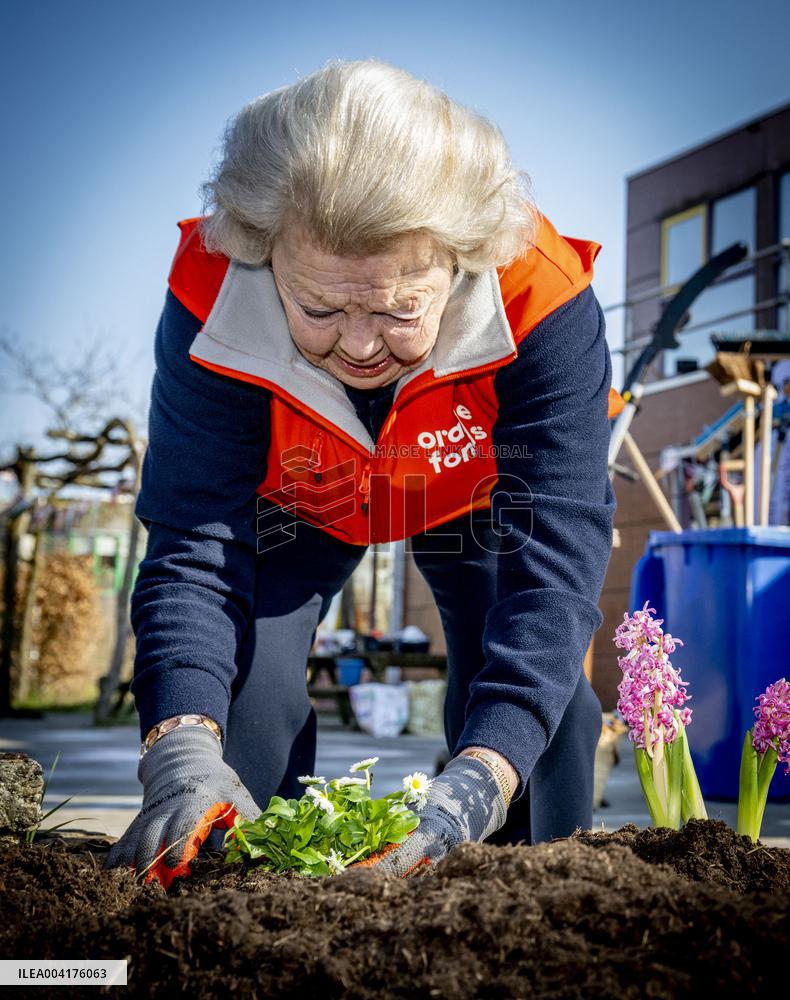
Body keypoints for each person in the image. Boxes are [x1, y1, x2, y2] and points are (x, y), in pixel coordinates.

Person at [105, 59, 622, 888]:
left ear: (458, 262)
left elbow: (553, 572)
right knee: (242, 705)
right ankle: (253, 902)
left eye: (396, 310)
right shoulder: (211, 295)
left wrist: (479, 782)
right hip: (301, 494)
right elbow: (195, 546)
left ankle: (532, 897)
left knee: (547, 717)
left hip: (477, 492)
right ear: (266, 251)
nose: (357, 345)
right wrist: (180, 746)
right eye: (318, 308)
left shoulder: (543, 299)